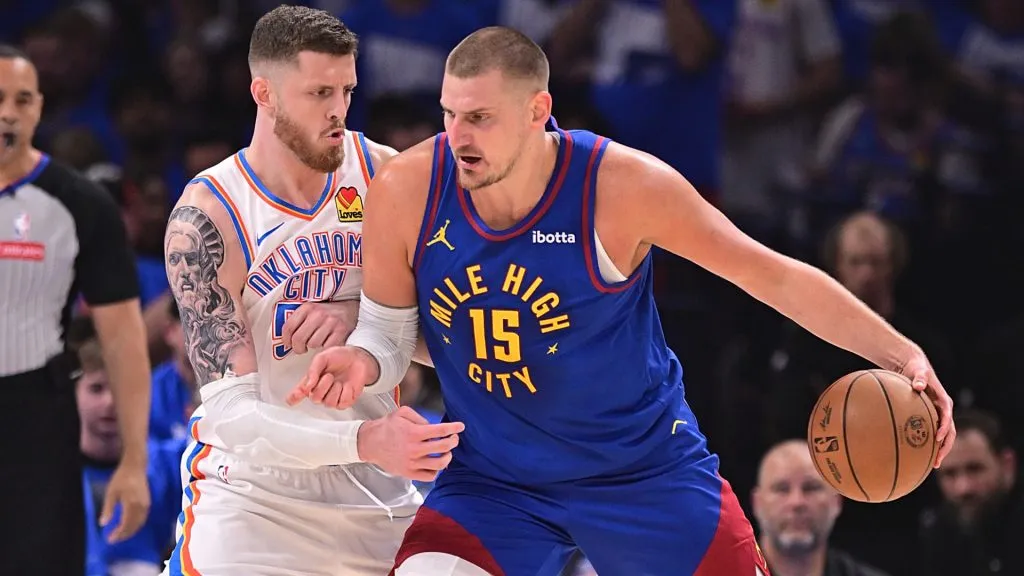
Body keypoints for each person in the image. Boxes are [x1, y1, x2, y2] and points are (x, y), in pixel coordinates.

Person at [289, 27, 956, 576]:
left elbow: (771, 275)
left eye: (481, 118)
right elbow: (385, 329)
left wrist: (901, 352)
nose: (459, 136)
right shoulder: (408, 187)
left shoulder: (623, 188)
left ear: (537, 112)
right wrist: (365, 359)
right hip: (497, 478)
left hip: (642, 470)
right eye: (451, 114)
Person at [161, 6, 460, 575]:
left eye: (347, 90)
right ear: (264, 93)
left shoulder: (385, 177)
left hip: (379, 492)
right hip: (255, 500)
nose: (338, 111)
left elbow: (449, 341)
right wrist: (364, 441)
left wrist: (363, 318)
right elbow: (229, 416)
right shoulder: (208, 219)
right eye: (319, 92)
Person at [0, 44, 151, 575]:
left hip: (36, 416)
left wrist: (133, 461)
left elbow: (125, 342)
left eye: (22, 99)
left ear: (39, 108)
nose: (8, 113)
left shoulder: (81, 204)